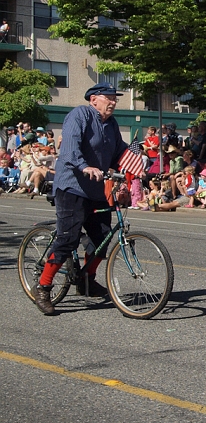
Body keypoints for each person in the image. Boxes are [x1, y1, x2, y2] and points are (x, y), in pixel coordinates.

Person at [31, 82, 130, 315]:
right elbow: (70, 149)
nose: (113, 102)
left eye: (115, 98)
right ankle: (43, 287)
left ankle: (86, 281)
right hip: (72, 187)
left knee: (102, 238)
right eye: (109, 97)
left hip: (96, 191)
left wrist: (135, 165)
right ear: (94, 99)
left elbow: (119, 152)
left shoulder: (112, 125)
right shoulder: (80, 114)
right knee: (68, 239)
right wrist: (85, 167)